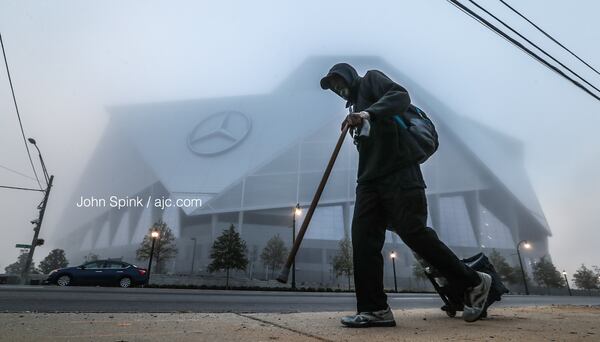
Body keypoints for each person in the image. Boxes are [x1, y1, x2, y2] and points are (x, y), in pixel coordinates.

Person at [320, 63, 492, 328]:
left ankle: (475, 281)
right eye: (331, 86)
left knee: (413, 233)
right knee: (363, 240)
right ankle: (374, 309)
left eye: (338, 81)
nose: (336, 88)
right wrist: (361, 118)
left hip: (400, 173)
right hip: (368, 182)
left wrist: (368, 113)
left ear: (350, 76)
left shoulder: (371, 81)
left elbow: (400, 96)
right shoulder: (354, 108)